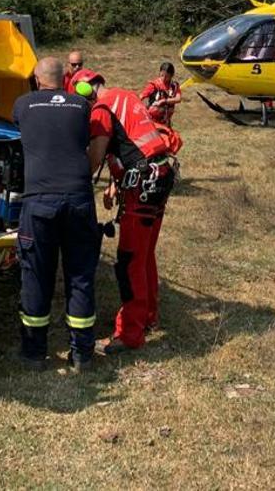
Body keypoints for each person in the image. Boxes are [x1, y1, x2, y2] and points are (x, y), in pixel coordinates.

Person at [74, 69, 175, 353]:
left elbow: (95, 157)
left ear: (84, 90)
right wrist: (116, 184)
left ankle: (130, 333)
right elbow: (133, 143)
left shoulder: (102, 109)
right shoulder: (127, 97)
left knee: (129, 259)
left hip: (142, 185)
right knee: (144, 255)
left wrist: (72, 174)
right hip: (159, 176)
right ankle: (148, 316)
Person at [12, 56, 100, 371]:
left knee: (36, 275)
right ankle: (82, 354)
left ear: (37, 80)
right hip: (79, 198)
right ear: (65, 79)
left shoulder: (23, 104)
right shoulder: (81, 106)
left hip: (39, 200)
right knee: (80, 275)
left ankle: (35, 353)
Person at [140, 62, 182, 127]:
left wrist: (163, 101)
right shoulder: (154, 85)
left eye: (167, 76)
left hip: (166, 122)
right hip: (152, 123)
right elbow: (141, 96)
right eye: (162, 75)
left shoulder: (174, 86)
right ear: (159, 73)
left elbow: (178, 99)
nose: (164, 78)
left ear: (171, 75)